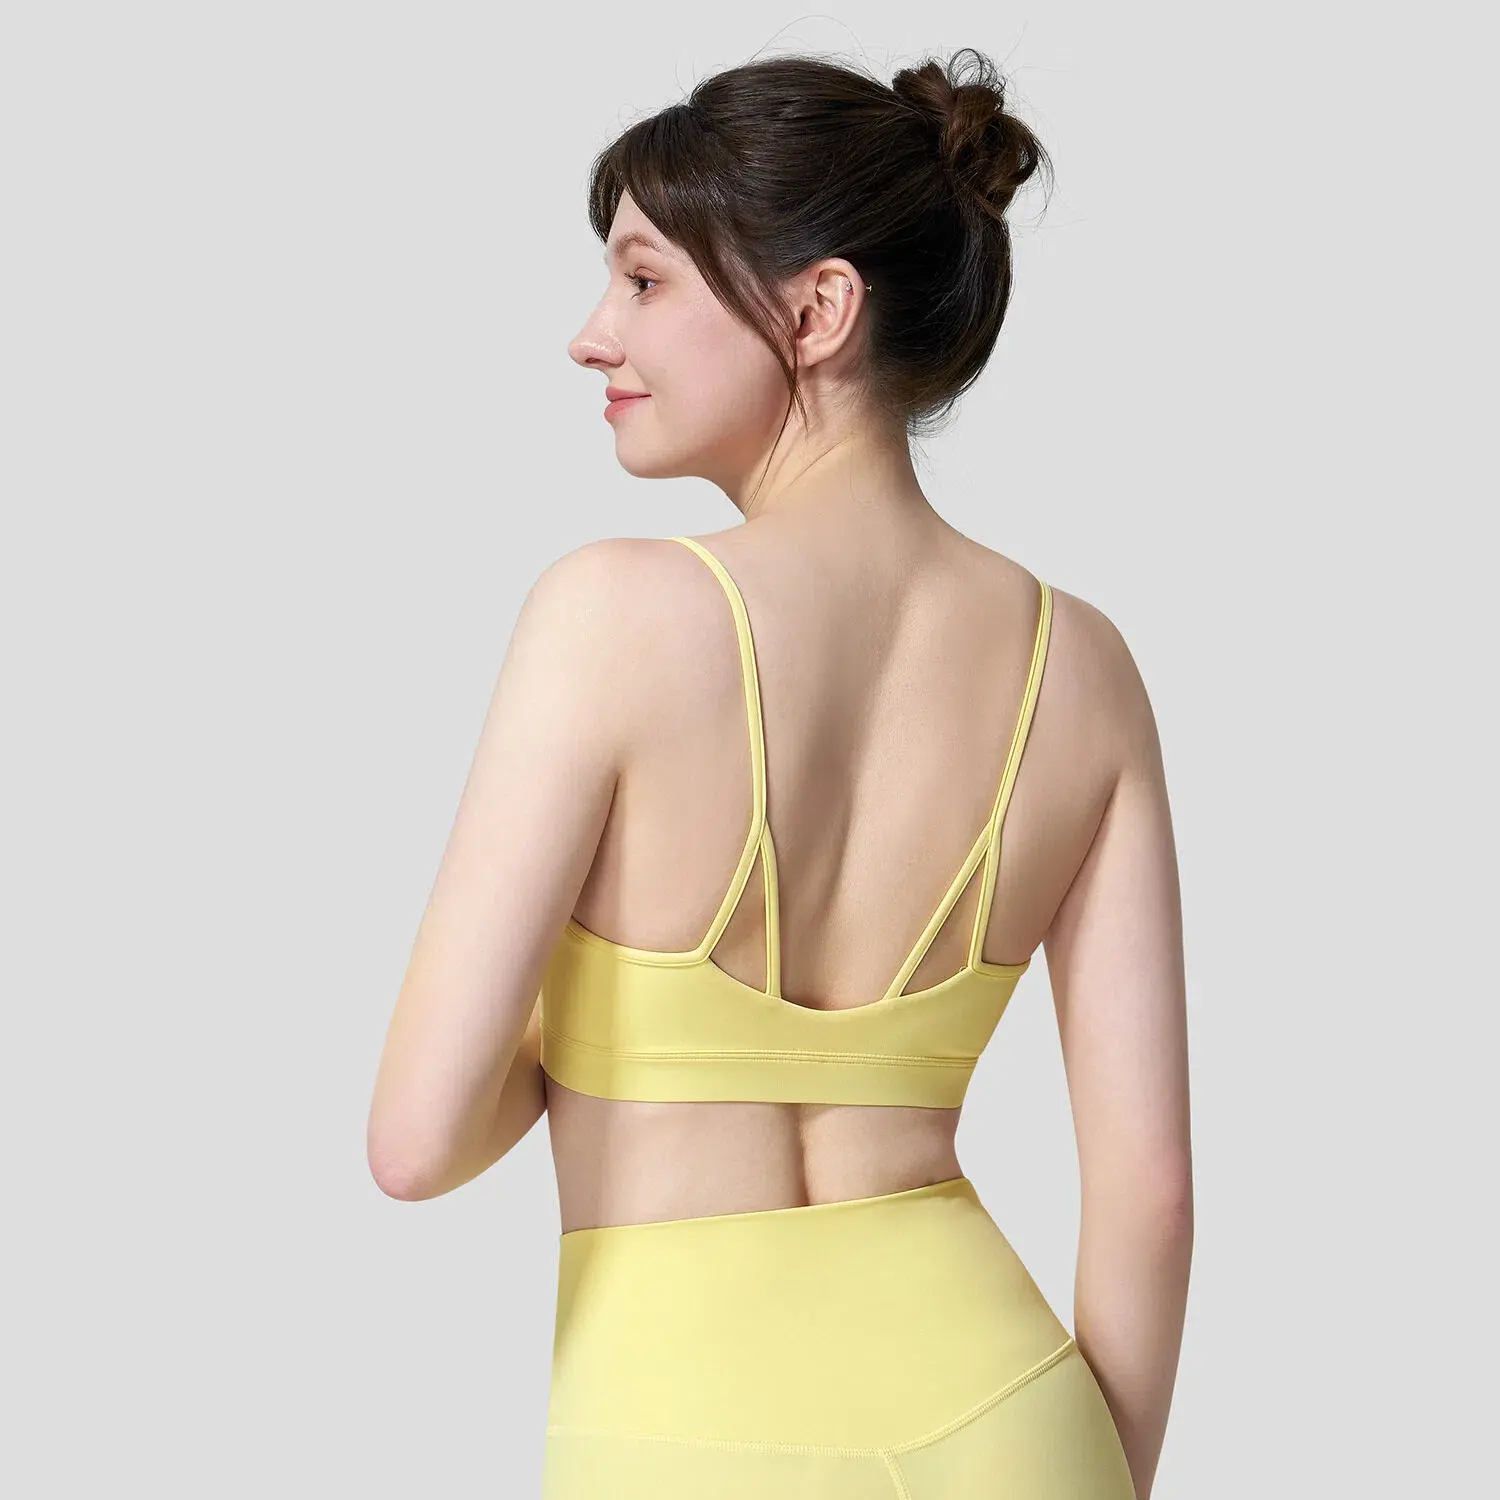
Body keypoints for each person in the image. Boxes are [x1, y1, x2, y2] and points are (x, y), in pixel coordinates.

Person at [368, 46, 1192, 1500]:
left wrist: (592, 1016)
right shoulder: (1086, 665)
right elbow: (1150, 1193)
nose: (592, 336)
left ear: (817, 311)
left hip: (686, 1437)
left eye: (643, 281)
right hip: (1015, 1422)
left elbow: (417, 1143)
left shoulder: (611, 616)